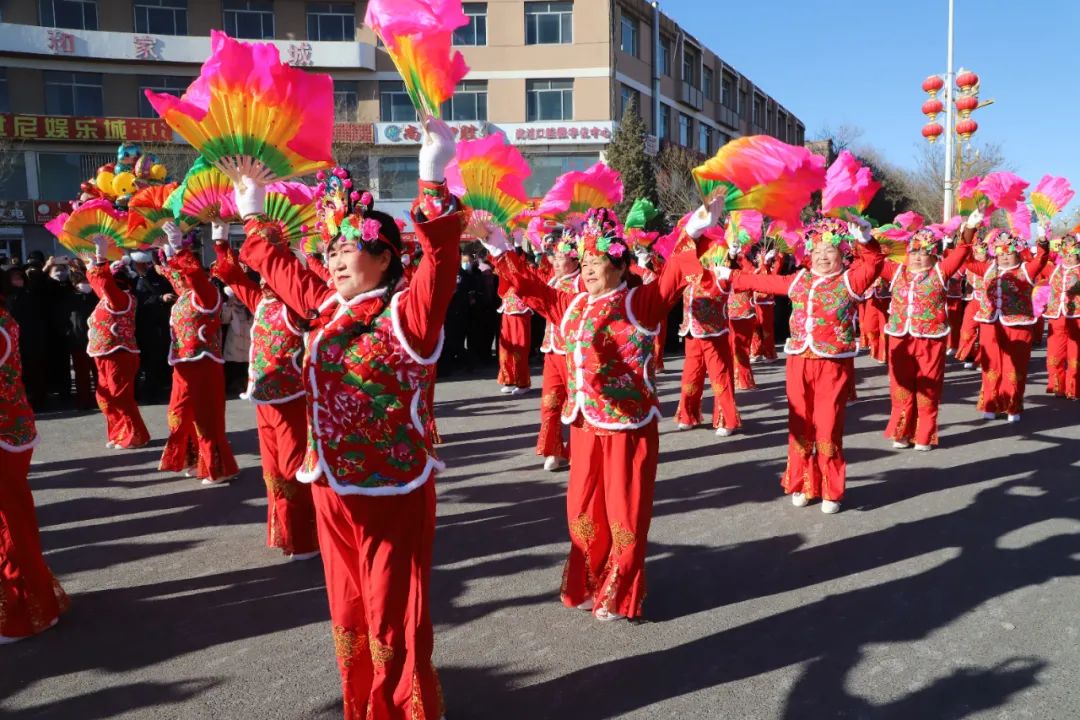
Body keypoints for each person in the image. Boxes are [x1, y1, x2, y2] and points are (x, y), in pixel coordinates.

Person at [238, 118, 459, 719]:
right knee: (347, 607)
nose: (333, 260)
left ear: (385, 258)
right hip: (330, 483)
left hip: (391, 487)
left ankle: (402, 707)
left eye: (347, 250)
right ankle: (362, 703)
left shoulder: (408, 315)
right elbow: (279, 268)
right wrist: (252, 210)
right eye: (329, 251)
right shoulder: (325, 310)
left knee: (391, 608)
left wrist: (432, 175)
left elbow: (441, 257)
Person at [477, 204, 699, 622]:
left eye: (597, 262)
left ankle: (619, 591)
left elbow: (673, 277)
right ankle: (590, 580)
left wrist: (697, 227)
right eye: (585, 263)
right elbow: (531, 288)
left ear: (620, 266)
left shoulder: (639, 303)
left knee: (623, 513)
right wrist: (498, 245)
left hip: (627, 427)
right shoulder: (573, 304)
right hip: (583, 423)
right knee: (581, 510)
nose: (589, 269)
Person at [716, 217, 884, 513]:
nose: (822, 256)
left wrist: (866, 239)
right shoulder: (799, 279)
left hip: (832, 365)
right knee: (799, 424)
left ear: (842, 253)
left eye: (829, 251)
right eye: (817, 251)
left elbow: (874, 264)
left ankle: (831, 489)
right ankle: (803, 482)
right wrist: (729, 274)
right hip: (798, 362)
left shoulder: (850, 280)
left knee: (828, 426)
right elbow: (762, 281)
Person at [212, 227, 319, 560]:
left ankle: (305, 537)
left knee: (292, 469)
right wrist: (220, 239)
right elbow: (232, 275)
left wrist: (280, 255)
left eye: (266, 271)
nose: (260, 277)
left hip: (291, 401)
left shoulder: (295, 307)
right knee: (272, 472)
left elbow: (299, 282)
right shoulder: (261, 303)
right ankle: (285, 531)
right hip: (263, 401)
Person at [0, 271, 70, 643]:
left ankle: (25, 611)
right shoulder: (5, 319)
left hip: (5, 435)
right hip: (11, 431)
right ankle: (32, 602)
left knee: (11, 524)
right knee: (12, 520)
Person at [879, 219, 976, 451]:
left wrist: (970, 228)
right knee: (901, 388)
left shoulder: (940, 272)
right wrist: (862, 238)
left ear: (933, 255)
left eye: (924, 253)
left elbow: (962, 251)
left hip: (930, 339)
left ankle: (924, 435)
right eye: (913, 252)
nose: (917, 257)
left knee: (928, 387)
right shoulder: (895, 271)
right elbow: (871, 259)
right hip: (900, 339)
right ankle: (901, 432)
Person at [157, 223, 239, 484]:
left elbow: (191, 274)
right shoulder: (185, 295)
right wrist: (167, 249)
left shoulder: (207, 294)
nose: (179, 276)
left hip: (204, 365)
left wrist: (179, 247)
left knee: (206, 418)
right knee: (179, 415)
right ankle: (195, 459)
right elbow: (176, 275)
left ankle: (218, 468)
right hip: (182, 365)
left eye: (184, 272)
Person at [962, 227, 1050, 422]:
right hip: (990, 324)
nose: (1004, 257)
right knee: (990, 366)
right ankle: (990, 404)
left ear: (1017, 252)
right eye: (1000, 253)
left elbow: (1042, 259)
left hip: (1018, 325)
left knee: (1014, 368)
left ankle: (1013, 406)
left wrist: (1043, 241)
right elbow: (965, 259)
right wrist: (968, 232)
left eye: (1009, 253)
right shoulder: (987, 269)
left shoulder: (1026, 270)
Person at [674, 223, 741, 438]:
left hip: (713, 333)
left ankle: (727, 419)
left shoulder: (718, 267)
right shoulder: (688, 269)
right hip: (690, 331)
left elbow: (729, 274)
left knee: (719, 377)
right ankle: (687, 415)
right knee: (690, 375)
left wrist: (732, 255)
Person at [85, 241, 150, 450]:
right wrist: (89, 262)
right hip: (105, 354)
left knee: (120, 397)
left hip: (119, 355)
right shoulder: (108, 298)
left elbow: (104, 283)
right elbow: (98, 283)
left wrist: (100, 257)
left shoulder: (121, 299)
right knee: (105, 398)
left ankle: (136, 435)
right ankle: (119, 433)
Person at [536, 234, 581, 471]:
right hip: (552, 350)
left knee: (576, 402)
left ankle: (577, 451)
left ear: (575, 260)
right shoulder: (553, 281)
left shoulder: (581, 282)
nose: (555, 261)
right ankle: (553, 449)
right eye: (554, 256)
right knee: (550, 402)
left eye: (560, 257)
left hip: (573, 352)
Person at [130, 251, 174, 401]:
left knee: (158, 357)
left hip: (160, 324)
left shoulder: (158, 278)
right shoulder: (135, 281)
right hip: (143, 325)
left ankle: (157, 389)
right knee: (147, 360)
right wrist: (160, 298)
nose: (140, 266)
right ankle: (147, 392)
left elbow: (168, 290)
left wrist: (165, 297)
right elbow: (139, 301)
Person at [1042, 232, 1080, 399]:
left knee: (1075, 354)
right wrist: (1043, 239)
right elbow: (1037, 260)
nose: (1068, 258)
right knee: (1054, 354)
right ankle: (1057, 385)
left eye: (1072, 255)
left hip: (1076, 317)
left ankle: (1074, 388)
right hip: (1056, 317)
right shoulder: (1053, 269)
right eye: (1065, 254)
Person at [494, 247, 533, 395]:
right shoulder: (506, 266)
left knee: (520, 348)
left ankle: (523, 382)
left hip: (520, 311)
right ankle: (508, 379)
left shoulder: (524, 266)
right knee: (506, 348)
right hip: (507, 309)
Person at [955, 241, 989, 369]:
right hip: (973, 300)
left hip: (989, 302)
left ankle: (982, 360)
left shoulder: (992, 266)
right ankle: (969, 355)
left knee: (985, 333)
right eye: (975, 252)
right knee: (967, 329)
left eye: (981, 252)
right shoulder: (970, 264)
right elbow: (956, 272)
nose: (978, 255)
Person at [749, 247, 782, 363]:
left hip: (766, 303)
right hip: (754, 302)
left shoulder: (771, 271)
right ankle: (756, 352)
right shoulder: (754, 270)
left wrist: (777, 255)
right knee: (755, 328)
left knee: (766, 329)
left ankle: (770, 354)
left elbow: (778, 264)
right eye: (758, 256)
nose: (759, 258)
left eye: (761, 257)